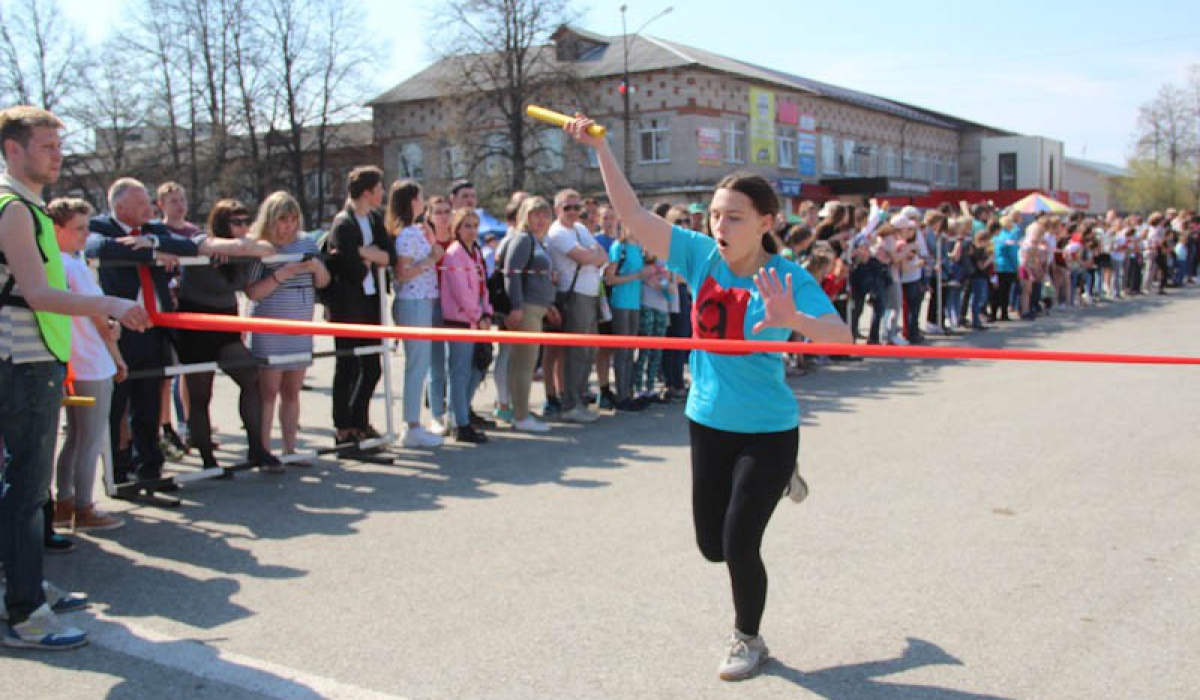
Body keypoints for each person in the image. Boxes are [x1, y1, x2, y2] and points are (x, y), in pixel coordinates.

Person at [565, 113, 851, 681]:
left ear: (766, 222)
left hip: (768, 427)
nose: (721, 224)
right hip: (709, 419)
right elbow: (631, 216)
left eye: (734, 217)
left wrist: (794, 319)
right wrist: (601, 147)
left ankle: (749, 638)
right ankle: (782, 480)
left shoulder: (787, 276)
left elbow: (843, 338)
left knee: (740, 542)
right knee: (711, 546)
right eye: (716, 214)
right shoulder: (699, 255)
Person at [1, 105, 150, 650]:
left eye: (59, 145)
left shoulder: (28, 208)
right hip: (21, 361)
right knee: (25, 488)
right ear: (13, 149)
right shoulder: (14, 208)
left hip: (34, 359)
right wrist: (109, 300)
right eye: (46, 145)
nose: (56, 154)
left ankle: (17, 585)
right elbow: (37, 294)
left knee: (24, 486)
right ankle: (24, 612)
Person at [87, 177, 251, 485]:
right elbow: (98, 248)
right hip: (120, 330)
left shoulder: (154, 231)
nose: (147, 208)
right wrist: (150, 256)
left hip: (155, 327)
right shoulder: (101, 227)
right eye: (139, 204)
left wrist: (155, 244)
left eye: (148, 202)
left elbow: (186, 245)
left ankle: (150, 467)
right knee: (119, 402)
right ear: (119, 207)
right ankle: (118, 470)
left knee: (149, 401)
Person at [175, 199, 278, 470]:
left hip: (226, 328)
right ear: (222, 224)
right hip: (197, 328)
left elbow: (266, 249)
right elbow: (223, 285)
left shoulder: (238, 251)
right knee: (200, 395)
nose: (243, 227)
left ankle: (257, 448)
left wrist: (241, 252)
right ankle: (207, 458)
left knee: (250, 378)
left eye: (246, 221)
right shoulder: (203, 248)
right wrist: (238, 253)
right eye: (236, 222)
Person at [48, 197, 126, 531]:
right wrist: (117, 356)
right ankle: (83, 506)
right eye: (78, 228)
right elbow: (97, 314)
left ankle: (65, 502)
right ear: (58, 230)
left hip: (74, 360)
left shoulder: (54, 264)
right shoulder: (72, 266)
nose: (85, 234)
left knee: (75, 437)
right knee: (89, 438)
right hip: (91, 362)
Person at [244, 192, 329, 463]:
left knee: (292, 392)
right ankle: (264, 450)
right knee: (268, 392)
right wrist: (283, 274)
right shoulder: (262, 247)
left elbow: (324, 282)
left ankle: (290, 449)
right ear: (271, 219)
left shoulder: (306, 242)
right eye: (283, 219)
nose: (289, 226)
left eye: (293, 219)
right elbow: (253, 292)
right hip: (270, 328)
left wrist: (316, 267)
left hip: (300, 327)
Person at [322, 166, 393, 447]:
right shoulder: (343, 224)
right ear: (367, 192)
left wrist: (365, 253)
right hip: (348, 306)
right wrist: (365, 255)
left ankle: (360, 421)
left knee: (372, 367)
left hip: (370, 304)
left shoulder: (374, 219)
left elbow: (388, 255)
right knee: (347, 366)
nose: (382, 193)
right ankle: (344, 426)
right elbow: (351, 269)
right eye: (379, 189)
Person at [389, 180, 444, 448]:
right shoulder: (408, 234)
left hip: (419, 301)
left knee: (419, 364)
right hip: (414, 301)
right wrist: (431, 259)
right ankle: (411, 425)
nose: (423, 202)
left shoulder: (413, 232)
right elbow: (403, 272)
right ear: (412, 201)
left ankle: (413, 422)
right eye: (420, 198)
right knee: (417, 365)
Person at [546, 189, 607, 424]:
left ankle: (579, 398)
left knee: (590, 349)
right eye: (567, 207)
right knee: (577, 351)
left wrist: (592, 255)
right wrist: (592, 255)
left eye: (576, 207)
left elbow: (602, 255)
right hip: (574, 294)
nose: (573, 212)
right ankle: (570, 403)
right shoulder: (558, 233)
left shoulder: (580, 229)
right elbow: (584, 257)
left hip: (591, 292)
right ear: (557, 209)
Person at [503, 197, 561, 432]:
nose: (540, 219)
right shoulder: (523, 239)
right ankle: (521, 415)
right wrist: (516, 306)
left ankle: (520, 411)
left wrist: (549, 305)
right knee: (524, 364)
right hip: (525, 308)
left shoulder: (539, 242)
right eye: (534, 214)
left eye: (544, 214)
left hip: (537, 308)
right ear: (525, 217)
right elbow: (512, 274)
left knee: (524, 363)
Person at [440, 208, 492, 444]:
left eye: (474, 225)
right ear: (457, 228)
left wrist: (487, 313)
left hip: (478, 320)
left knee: (478, 368)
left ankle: (460, 412)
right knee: (459, 373)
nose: (472, 231)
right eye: (466, 226)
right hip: (460, 320)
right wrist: (477, 315)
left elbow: (483, 287)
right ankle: (460, 422)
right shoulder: (454, 254)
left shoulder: (476, 252)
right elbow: (462, 292)